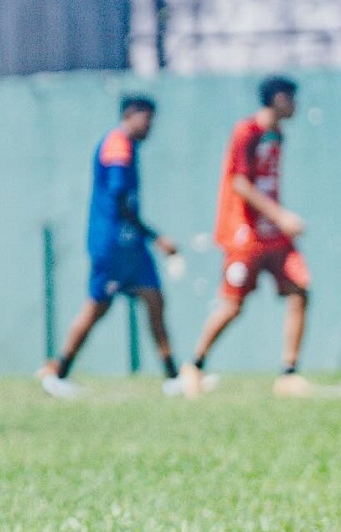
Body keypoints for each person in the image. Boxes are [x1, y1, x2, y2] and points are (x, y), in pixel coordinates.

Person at [38, 95, 182, 399]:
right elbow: (119, 199)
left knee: (155, 302)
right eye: (147, 119)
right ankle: (58, 372)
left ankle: (173, 376)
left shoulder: (129, 147)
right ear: (131, 115)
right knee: (96, 307)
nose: (150, 126)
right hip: (113, 245)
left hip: (131, 246)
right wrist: (155, 236)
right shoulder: (117, 146)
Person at [181, 76, 311, 399]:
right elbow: (240, 183)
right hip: (246, 236)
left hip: (274, 236)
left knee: (299, 289)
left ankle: (288, 373)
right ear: (277, 98)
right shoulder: (246, 132)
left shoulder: (276, 135)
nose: (295, 105)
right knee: (232, 306)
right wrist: (281, 215)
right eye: (291, 98)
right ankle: (194, 365)